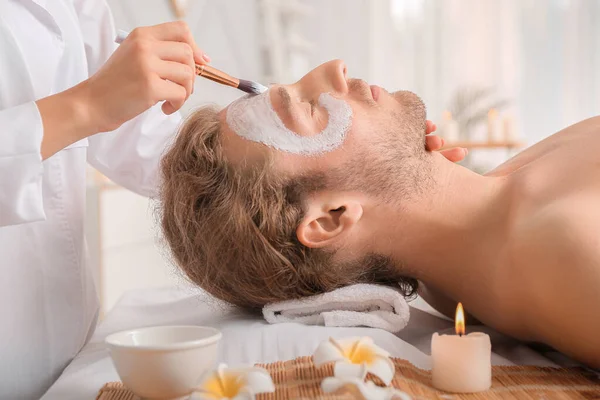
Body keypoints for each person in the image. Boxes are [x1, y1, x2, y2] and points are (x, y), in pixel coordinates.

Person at [159, 59, 600, 369]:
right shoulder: (565, 250)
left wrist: (423, 173)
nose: (334, 69)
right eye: (309, 107)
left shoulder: (457, 272)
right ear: (331, 217)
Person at [0, 0, 214, 397]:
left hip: (67, 353)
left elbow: (146, 144)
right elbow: (98, 101)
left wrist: (240, 161)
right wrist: (87, 105)